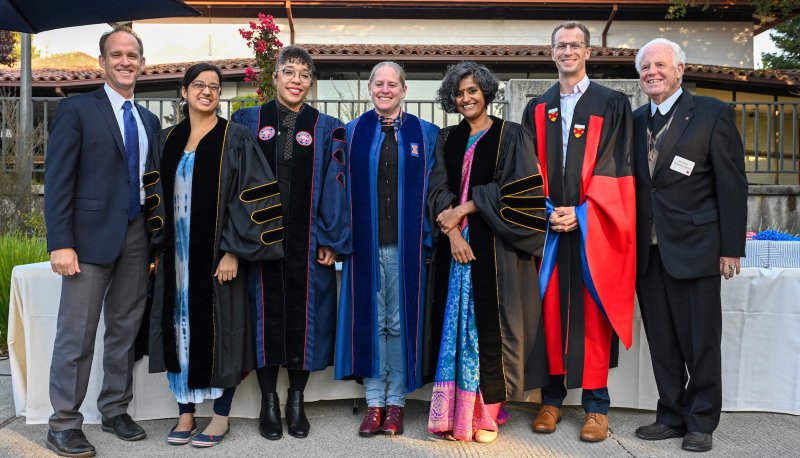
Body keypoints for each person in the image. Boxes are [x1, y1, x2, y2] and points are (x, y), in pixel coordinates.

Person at [145, 63, 283, 448]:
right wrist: (157, 246)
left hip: (217, 258)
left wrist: (233, 251)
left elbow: (254, 196)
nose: (207, 91)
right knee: (178, 329)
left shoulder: (235, 138)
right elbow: (153, 198)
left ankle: (220, 415)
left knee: (225, 329)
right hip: (177, 257)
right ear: (185, 91)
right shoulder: (166, 140)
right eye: (200, 85)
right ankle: (186, 413)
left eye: (215, 86)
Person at [43, 26, 160, 457]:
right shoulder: (76, 110)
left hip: (136, 237)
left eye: (133, 54)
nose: (126, 61)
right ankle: (63, 424)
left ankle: (114, 409)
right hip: (86, 242)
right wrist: (61, 242)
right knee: (76, 335)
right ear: (103, 62)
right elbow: (58, 181)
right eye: (117, 55)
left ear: (142, 63)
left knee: (124, 330)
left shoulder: (148, 120)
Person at [518, 21, 636, 442]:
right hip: (550, 229)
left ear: (588, 52)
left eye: (575, 45)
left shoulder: (612, 103)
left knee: (592, 313)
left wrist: (584, 213)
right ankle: (549, 399)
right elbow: (527, 168)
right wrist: (548, 210)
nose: (568, 51)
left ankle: (596, 406)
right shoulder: (538, 106)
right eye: (560, 45)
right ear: (551, 53)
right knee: (548, 311)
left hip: (593, 228)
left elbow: (618, 166)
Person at [425, 62, 550, 443]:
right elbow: (436, 193)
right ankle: (454, 414)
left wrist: (465, 208)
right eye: (459, 93)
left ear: (486, 92)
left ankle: (488, 414)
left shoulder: (512, 135)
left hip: (497, 253)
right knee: (457, 330)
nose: (466, 98)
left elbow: (521, 192)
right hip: (455, 253)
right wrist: (453, 235)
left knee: (490, 332)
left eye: (472, 91)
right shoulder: (446, 138)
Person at [632, 38, 747, 453]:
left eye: (660, 65)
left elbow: (732, 185)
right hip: (648, 251)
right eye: (645, 67)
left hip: (697, 247)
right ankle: (671, 414)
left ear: (680, 69)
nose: (652, 73)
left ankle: (701, 421)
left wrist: (731, 247)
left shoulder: (713, 113)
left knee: (700, 340)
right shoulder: (633, 120)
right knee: (661, 340)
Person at [231, 46, 350, 441]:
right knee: (262, 315)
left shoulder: (327, 126)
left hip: (308, 240)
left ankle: (296, 399)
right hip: (258, 239)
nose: (296, 79)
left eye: (303, 74)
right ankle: (269, 401)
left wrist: (331, 237)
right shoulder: (248, 121)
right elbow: (235, 184)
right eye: (289, 71)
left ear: (310, 82)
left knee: (306, 318)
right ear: (276, 77)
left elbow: (337, 187)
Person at [334, 61, 438, 437]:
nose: (385, 89)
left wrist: (429, 236)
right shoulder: (350, 133)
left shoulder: (426, 134)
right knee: (371, 323)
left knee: (397, 323)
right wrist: (337, 238)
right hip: (363, 246)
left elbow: (436, 193)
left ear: (404, 90)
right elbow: (335, 191)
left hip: (404, 247)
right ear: (369, 88)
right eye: (378, 83)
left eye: (392, 84)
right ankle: (374, 402)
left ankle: (396, 405)